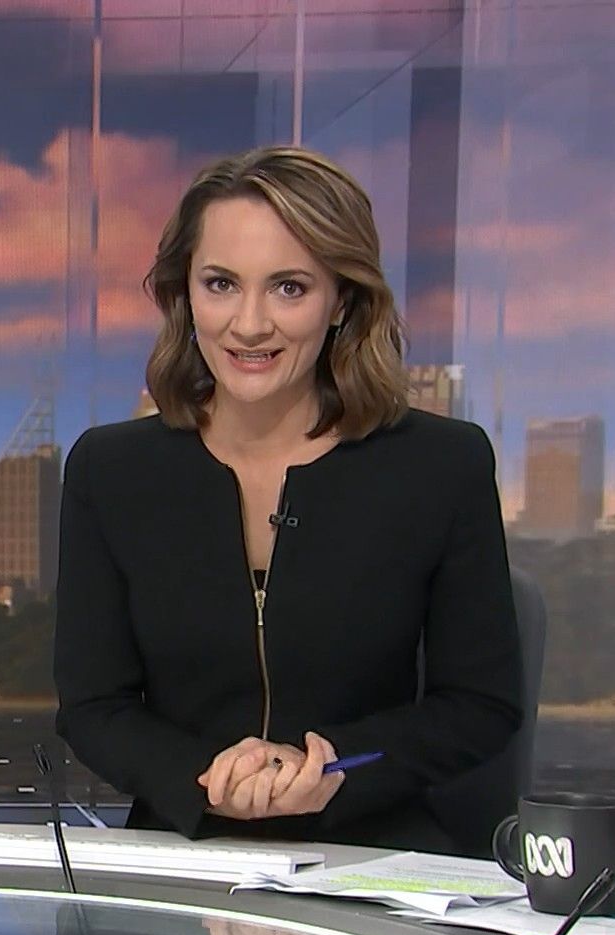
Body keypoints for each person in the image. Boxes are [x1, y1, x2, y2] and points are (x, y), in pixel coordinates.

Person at [53, 145, 522, 856]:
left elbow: (480, 706)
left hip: (373, 852)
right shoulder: (110, 470)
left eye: (289, 288)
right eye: (221, 284)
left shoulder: (441, 464)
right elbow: (94, 708)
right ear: (185, 294)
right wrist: (210, 778)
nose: (249, 325)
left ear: (343, 301)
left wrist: (330, 767)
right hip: (184, 849)